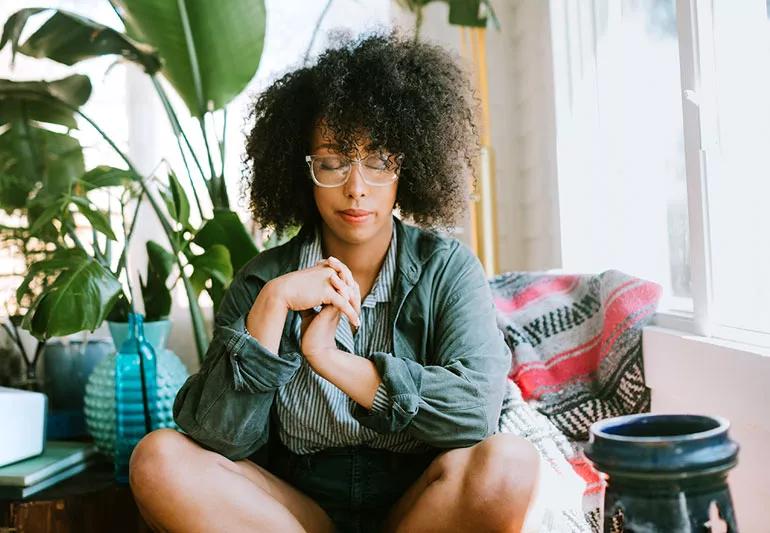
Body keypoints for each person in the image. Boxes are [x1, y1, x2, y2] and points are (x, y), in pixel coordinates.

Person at [129, 32, 540, 533]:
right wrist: (272, 305)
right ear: (302, 169)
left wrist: (334, 361)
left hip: (417, 506)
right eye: (331, 162)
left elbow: (474, 412)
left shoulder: (447, 269)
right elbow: (219, 440)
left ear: (407, 166)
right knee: (157, 458)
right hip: (296, 511)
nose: (355, 187)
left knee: (510, 465)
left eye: (378, 160)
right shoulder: (262, 278)